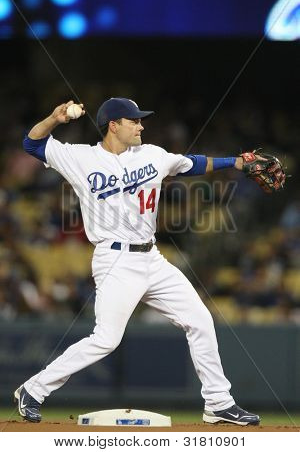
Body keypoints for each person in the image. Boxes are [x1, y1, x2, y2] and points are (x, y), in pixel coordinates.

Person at [15, 97, 260, 425]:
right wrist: (54, 118)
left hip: (152, 258)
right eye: (135, 121)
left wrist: (237, 162)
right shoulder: (81, 157)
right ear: (114, 125)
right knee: (106, 339)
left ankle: (218, 403)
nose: (141, 125)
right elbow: (32, 144)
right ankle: (34, 389)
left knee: (200, 320)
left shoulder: (153, 155)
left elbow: (193, 164)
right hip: (115, 259)